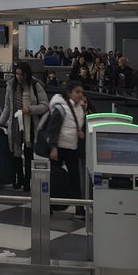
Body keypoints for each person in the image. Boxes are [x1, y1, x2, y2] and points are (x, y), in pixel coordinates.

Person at [0, 62, 49, 191]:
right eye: (17, 74)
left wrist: (30, 109)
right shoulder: (10, 86)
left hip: (30, 124)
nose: (19, 77)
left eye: (22, 74)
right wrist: (0, 122)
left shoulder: (35, 85)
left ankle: (27, 181)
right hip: (14, 124)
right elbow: (8, 107)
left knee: (28, 152)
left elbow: (45, 105)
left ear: (27, 74)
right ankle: (18, 178)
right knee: (15, 152)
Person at [46, 82, 88, 216]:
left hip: (72, 148)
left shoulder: (79, 108)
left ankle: (79, 207)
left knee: (75, 178)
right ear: (69, 92)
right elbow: (53, 129)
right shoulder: (60, 108)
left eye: (81, 92)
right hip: (59, 148)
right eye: (77, 92)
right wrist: (53, 148)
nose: (80, 95)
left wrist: (79, 132)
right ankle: (49, 205)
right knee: (54, 178)